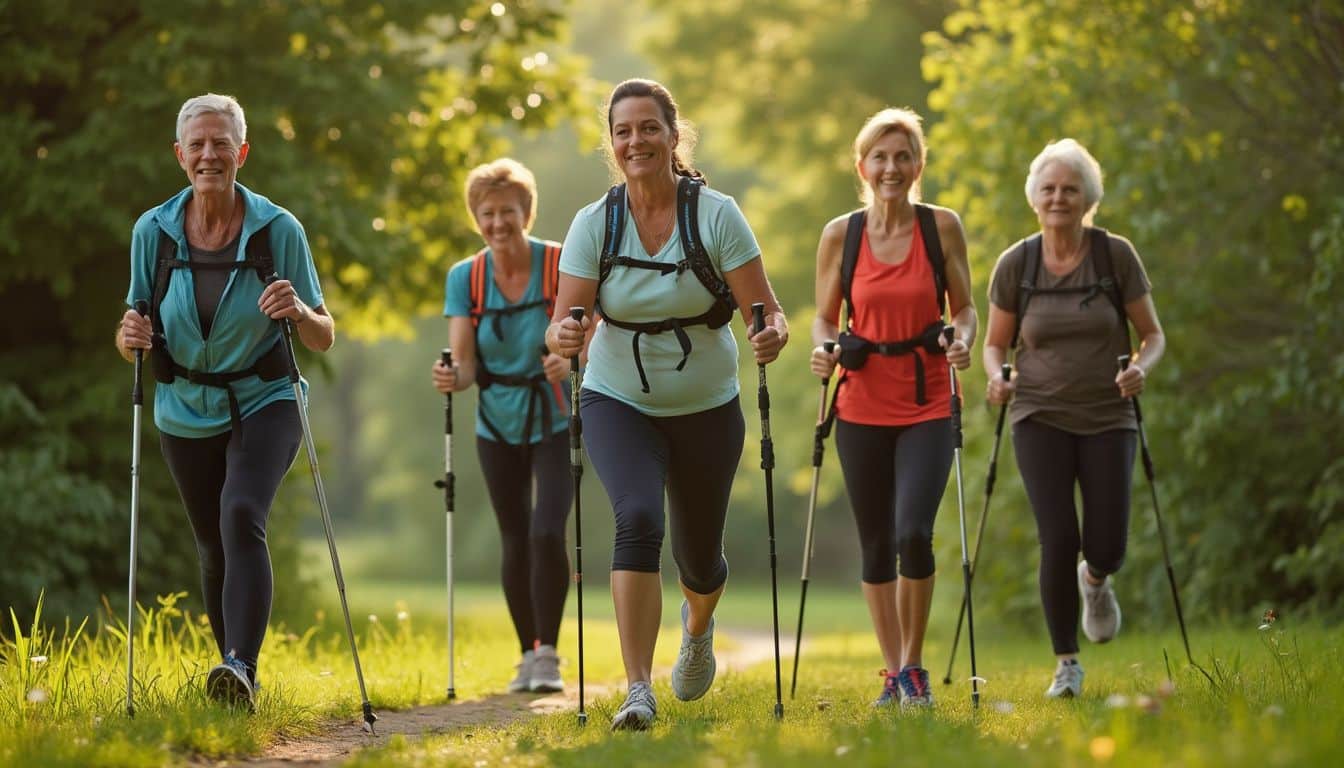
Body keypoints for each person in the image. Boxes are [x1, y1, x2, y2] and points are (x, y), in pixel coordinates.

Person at [546, 78, 788, 731]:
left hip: (707, 403)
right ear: (612, 143)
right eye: (623, 131)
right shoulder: (595, 223)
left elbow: (765, 311)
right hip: (616, 396)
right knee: (638, 518)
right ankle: (636, 689)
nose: (635, 141)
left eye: (648, 128)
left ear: (673, 135)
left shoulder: (716, 215)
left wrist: (771, 333)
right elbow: (562, 323)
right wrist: (565, 334)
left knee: (700, 559)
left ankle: (698, 627)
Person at [116, 93, 334, 710]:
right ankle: (233, 679)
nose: (209, 154)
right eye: (197, 144)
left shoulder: (277, 230)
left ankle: (240, 661)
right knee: (212, 542)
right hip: (184, 405)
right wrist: (127, 335)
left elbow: (322, 333)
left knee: (241, 513)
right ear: (180, 155)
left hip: (267, 397)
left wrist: (298, 310)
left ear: (242, 152)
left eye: (221, 143)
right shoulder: (152, 232)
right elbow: (134, 323)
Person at [983, 138, 1165, 699]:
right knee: (1058, 537)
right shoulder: (1018, 263)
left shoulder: (1115, 256)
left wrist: (1141, 368)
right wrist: (998, 376)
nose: (1059, 197)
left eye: (1070, 189)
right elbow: (995, 344)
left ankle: (1097, 580)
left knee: (1107, 542)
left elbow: (1153, 336)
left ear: (1088, 197)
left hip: (1110, 415)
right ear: (1034, 197)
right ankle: (1067, 663)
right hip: (1038, 414)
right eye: (1049, 188)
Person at [809, 108, 976, 709]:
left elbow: (965, 308)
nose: (891, 168)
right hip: (859, 402)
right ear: (862, 166)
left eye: (902, 156)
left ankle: (914, 667)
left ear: (918, 165)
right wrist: (822, 350)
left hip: (927, 397)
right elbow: (826, 317)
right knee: (876, 541)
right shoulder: (841, 235)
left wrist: (964, 339)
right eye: (879, 157)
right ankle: (891, 673)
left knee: (913, 532)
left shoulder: (941, 228)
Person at [430, 158, 575, 694]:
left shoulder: (560, 264)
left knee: (546, 531)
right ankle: (526, 655)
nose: (498, 223)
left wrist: (569, 358)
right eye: (487, 214)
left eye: (508, 212)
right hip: (496, 423)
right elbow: (465, 365)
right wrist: (450, 375)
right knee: (514, 537)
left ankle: (550, 654)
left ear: (527, 212)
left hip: (558, 417)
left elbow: (594, 328)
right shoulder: (465, 278)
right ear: (476, 218)